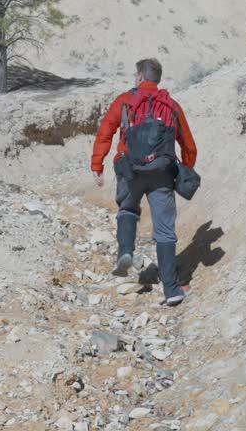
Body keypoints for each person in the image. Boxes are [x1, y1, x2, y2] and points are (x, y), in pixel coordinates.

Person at [91, 58, 197, 306]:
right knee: (165, 231)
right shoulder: (170, 104)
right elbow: (188, 143)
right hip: (161, 172)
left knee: (128, 209)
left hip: (130, 170)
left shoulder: (124, 101)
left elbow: (105, 132)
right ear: (157, 78)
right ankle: (171, 289)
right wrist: (186, 168)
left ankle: (125, 252)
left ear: (139, 76)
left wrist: (97, 165)